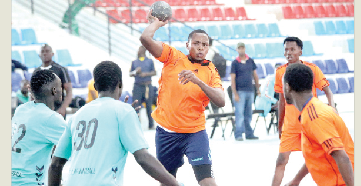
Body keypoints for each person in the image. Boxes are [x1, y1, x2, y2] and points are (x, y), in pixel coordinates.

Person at [48, 61, 181, 186]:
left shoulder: (77, 115)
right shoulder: (123, 111)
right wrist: (175, 184)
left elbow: (55, 164)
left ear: (95, 87)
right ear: (120, 84)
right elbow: (143, 158)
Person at [139, 10, 225, 186]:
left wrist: (198, 81)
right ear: (188, 45)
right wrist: (156, 24)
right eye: (196, 43)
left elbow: (221, 100)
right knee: (168, 182)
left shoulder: (210, 70)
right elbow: (145, 39)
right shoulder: (173, 57)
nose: (201, 47)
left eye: (205, 44)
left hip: (195, 133)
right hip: (167, 133)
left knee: (208, 182)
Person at [271, 37, 336, 186]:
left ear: (300, 51)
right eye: (286, 49)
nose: (288, 53)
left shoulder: (311, 69)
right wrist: (279, 125)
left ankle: (297, 181)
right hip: (290, 125)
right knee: (281, 160)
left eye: (292, 49)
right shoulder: (280, 72)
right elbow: (282, 102)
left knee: (317, 158)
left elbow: (328, 92)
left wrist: (332, 107)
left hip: (310, 121)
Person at [282, 63, 354, 186]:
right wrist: (296, 180)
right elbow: (317, 152)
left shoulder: (315, 116)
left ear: (287, 87)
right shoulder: (312, 110)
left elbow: (341, 156)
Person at [12, 70, 66, 186]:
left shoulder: (21, 110)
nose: (62, 90)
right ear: (54, 90)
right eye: (60, 86)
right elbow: (80, 148)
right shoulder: (51, 118)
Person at [230, 42, 260, 141]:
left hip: (250, 91)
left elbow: (255, 75)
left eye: (242, 48)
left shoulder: (250, 61)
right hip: (240, 91)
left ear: (245, 49)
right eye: (239, 48)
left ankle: (249, 133)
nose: (241, 50)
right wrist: (235, 93)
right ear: (237, 49)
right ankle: (238, 134)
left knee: (248, 114)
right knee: (239, 114)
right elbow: (232, 78)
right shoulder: (235, 63)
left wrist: (257, 89)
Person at [33, 44, 72, 119]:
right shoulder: (36, 71)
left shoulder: (60, 69)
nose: (45, 53)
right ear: (39, 55)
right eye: (42, 51)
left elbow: (69, 91)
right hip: (41, 111)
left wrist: (63, 108)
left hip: (57, 110)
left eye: (47, 51)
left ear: (52, 54)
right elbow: (32, 93)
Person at [130, 46, 156, 129]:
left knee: (149, 106)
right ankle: (136, 125)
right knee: (136, 105)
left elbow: (154, 72)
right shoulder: (134, 62)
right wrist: (136, 72)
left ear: (144, 51)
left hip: (147, 86)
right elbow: (130, 73)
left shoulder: (149, 61)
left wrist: (146, 74)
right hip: (137, 86)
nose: (139, 51)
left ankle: (151, 124)